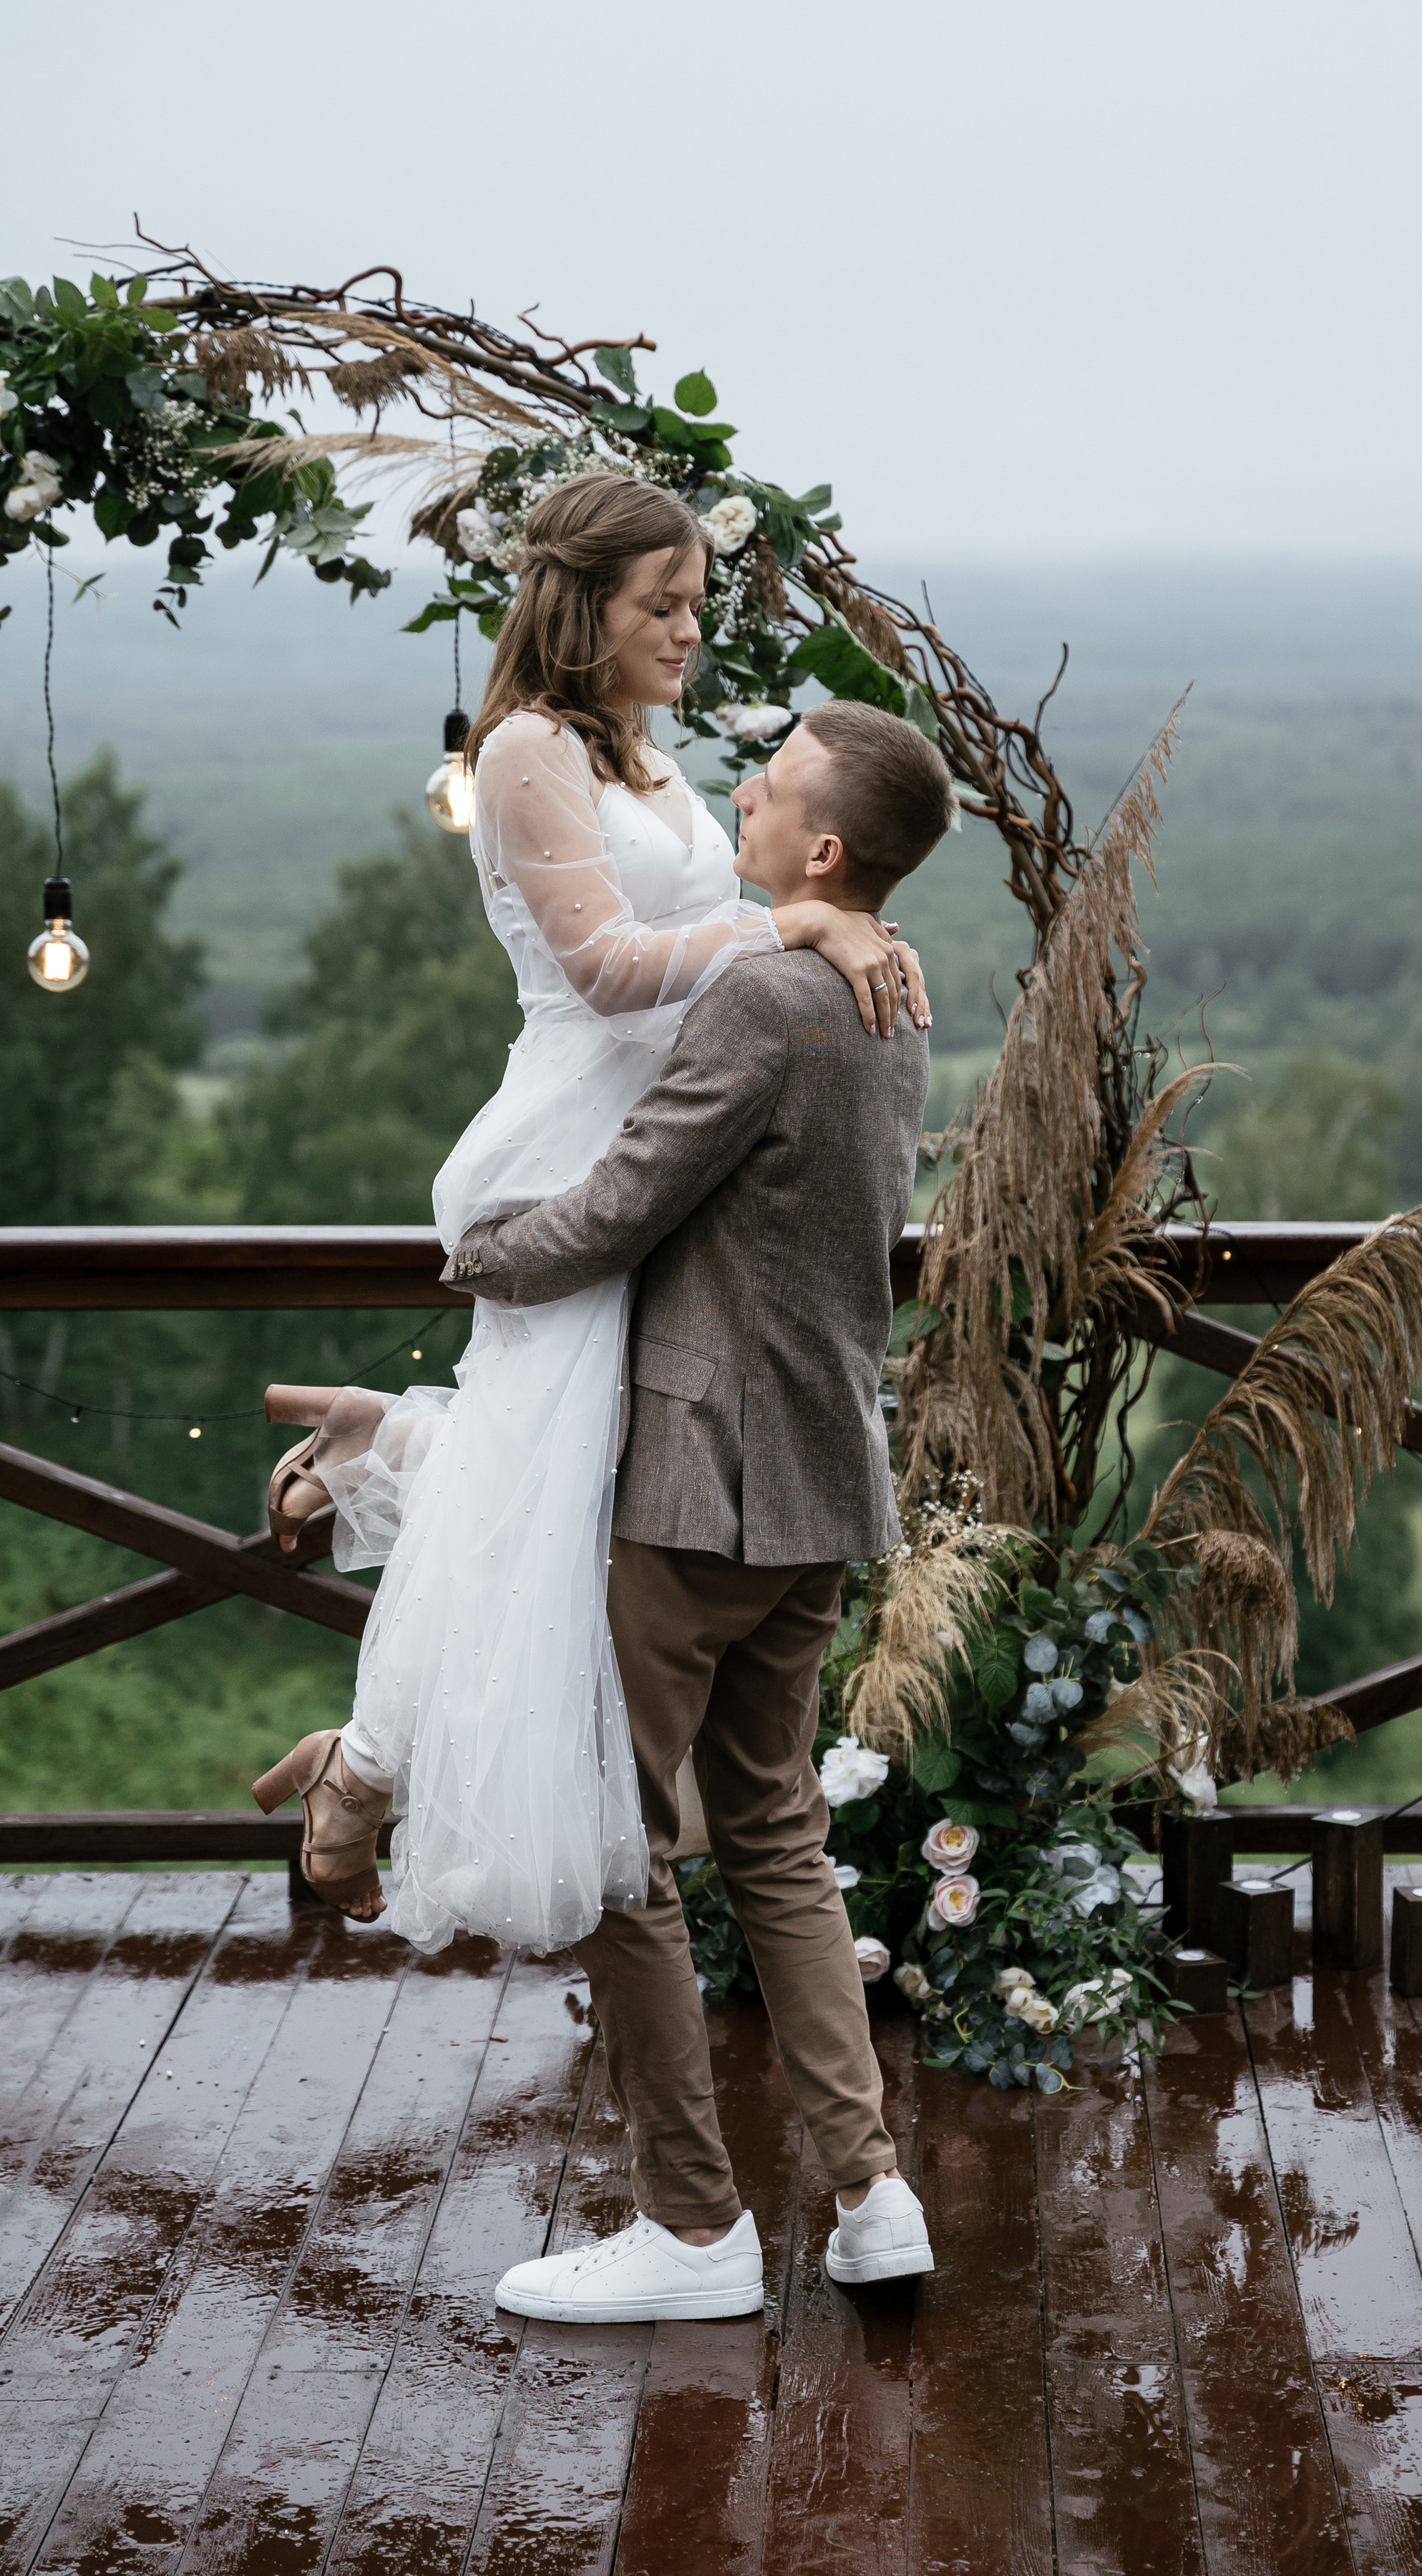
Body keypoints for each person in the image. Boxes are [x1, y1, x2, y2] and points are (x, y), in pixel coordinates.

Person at [250, 471, 927, 1951]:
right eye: (660, 605)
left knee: (559, 1501)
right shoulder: (523, 752)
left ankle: (387, 1470)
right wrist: (796, 924)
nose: (688, 631)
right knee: (537, 1513)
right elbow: (609, 970)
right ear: (581, 606)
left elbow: (707, 937)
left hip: (663, 1153)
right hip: (570, 1151)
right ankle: (362, 1782)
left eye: (695, 604)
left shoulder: (645, 753)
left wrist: (827, 933)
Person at [444, 689, 952, 2320]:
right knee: (777, 1835)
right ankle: (871, 2196)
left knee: (615, 1843)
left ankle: (691, 2228)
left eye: (774, 786)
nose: (742, 794)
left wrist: (478, 1251)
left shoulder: (766, 999)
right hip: (820, 1478)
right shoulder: (890, 992)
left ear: (826, 849)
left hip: (694, 1487)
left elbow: (620, 1203)